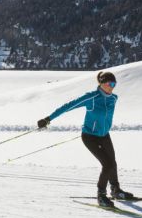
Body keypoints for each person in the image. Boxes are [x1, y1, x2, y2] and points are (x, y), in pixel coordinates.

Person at [37, 71, 135, 207]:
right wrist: (48, 118)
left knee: (112, 163)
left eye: (114, 84)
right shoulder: (92, 98)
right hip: (90, 137)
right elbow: (68, 106)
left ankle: (116, 190)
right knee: (107, 165)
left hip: (104, 135)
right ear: (101, 84)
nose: (111, 87)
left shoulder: (114, 98)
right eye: (109, 83)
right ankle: (101, 195)